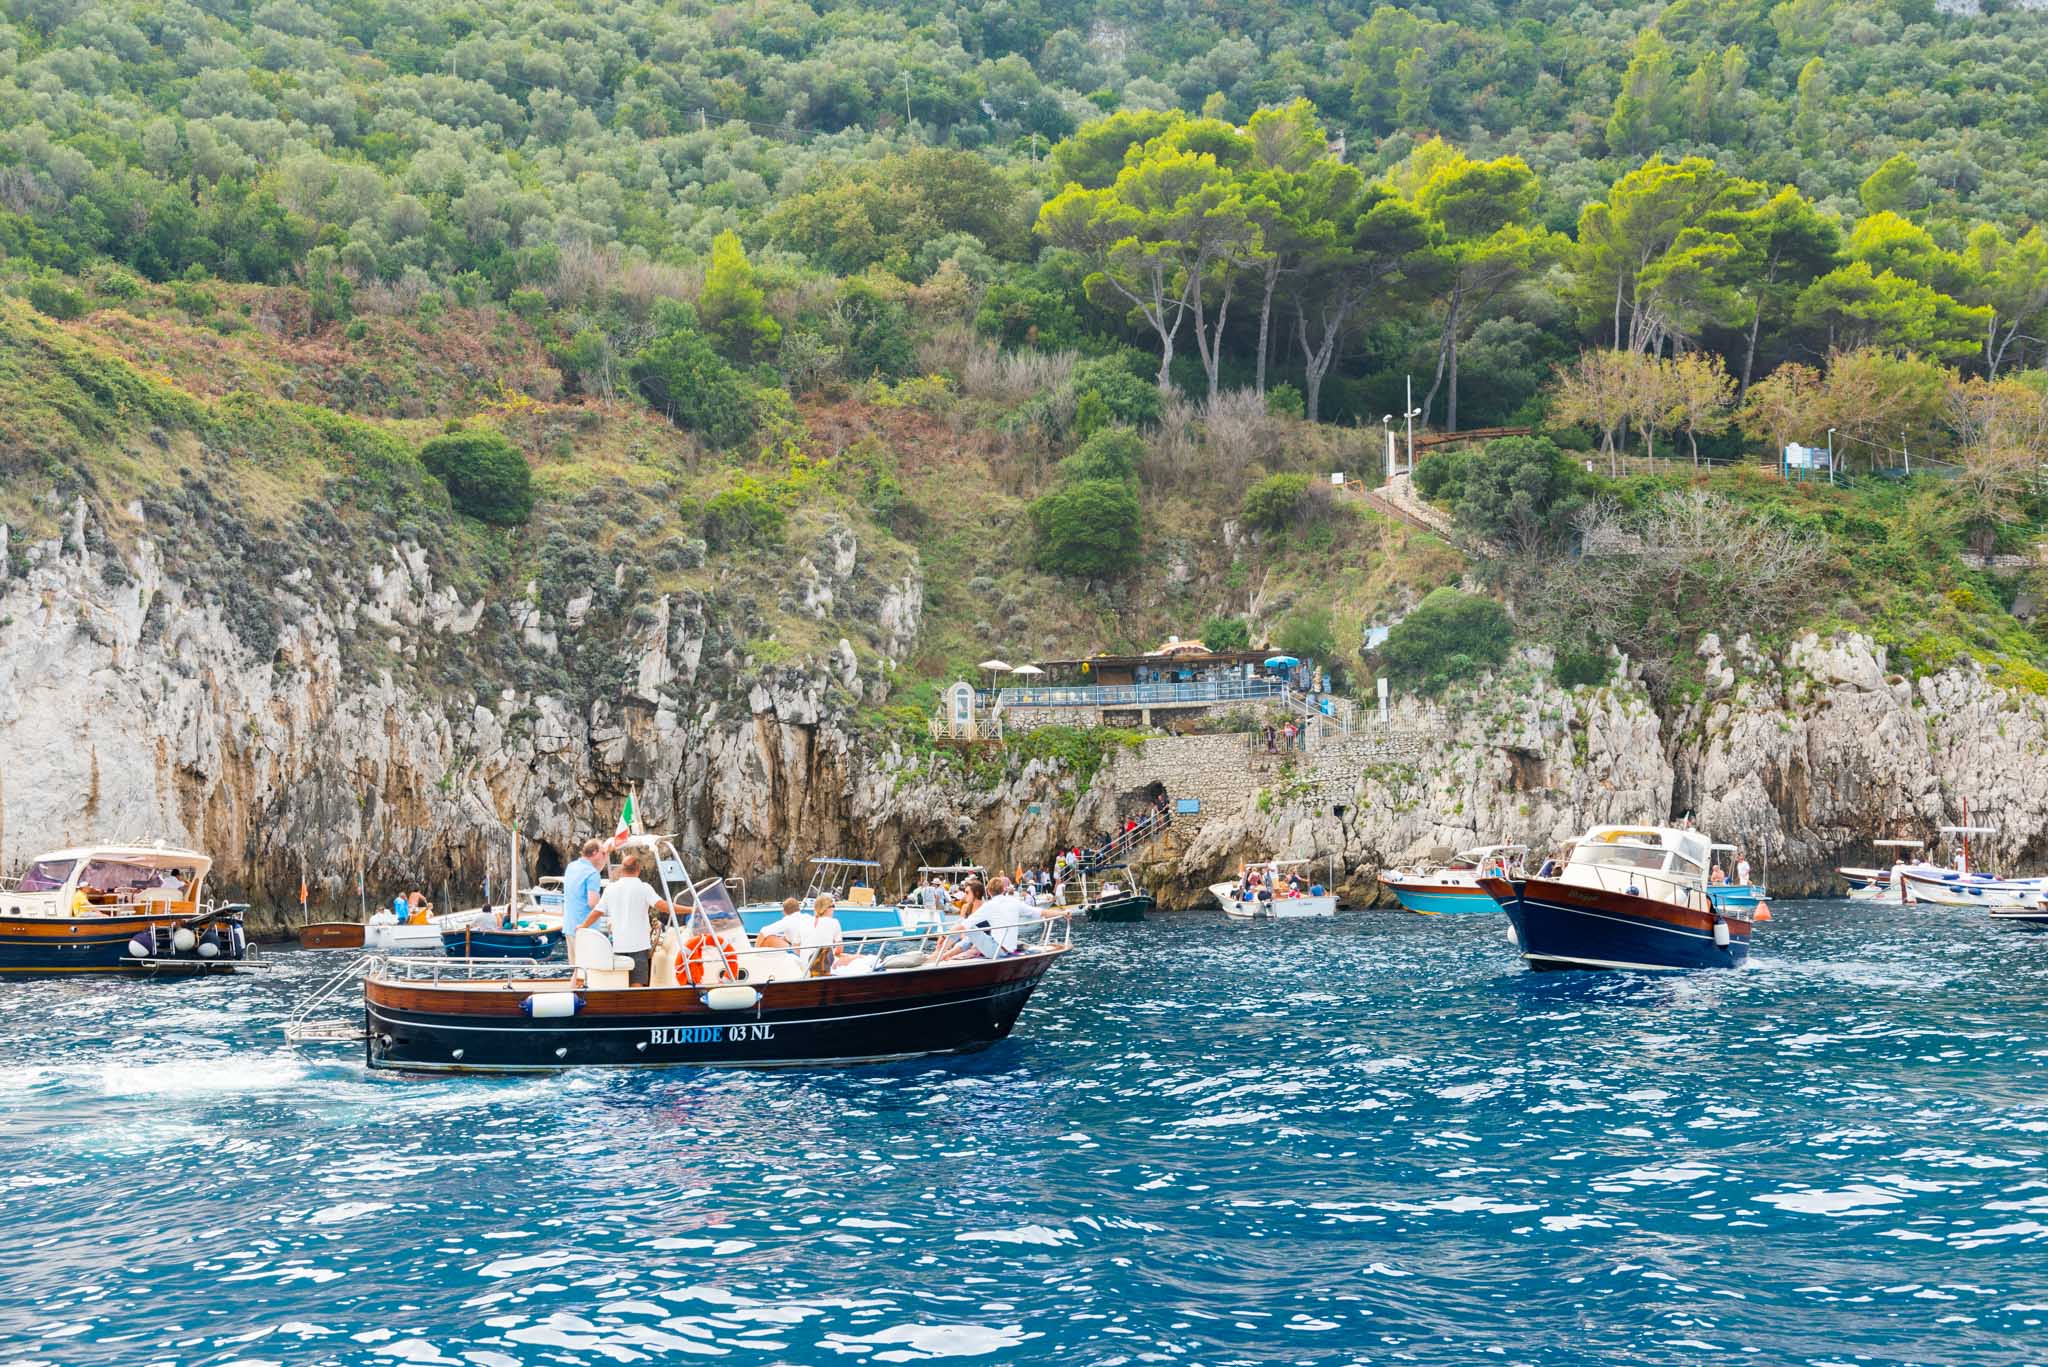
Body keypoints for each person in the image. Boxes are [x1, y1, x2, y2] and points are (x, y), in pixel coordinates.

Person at [593, 852, 672, 986]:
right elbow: (664, 907)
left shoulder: (610, 888)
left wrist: (582, 926)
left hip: (618, 945)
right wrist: (691, 909)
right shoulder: (644, 888)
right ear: (638, 870)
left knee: (621, 982)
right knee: (637, 982)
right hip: (639, 945)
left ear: (622, 870)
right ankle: (637, 1004)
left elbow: (597, 912)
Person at [562, 838, 606, 949]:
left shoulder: (571, 866)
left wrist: (602, 862)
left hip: (569, 927)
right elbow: (593, 903)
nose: (604, 855)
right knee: (589, 966)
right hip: (586, 930)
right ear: (595, 852)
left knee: (576, 965)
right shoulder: (592, 873)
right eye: (603, 853)